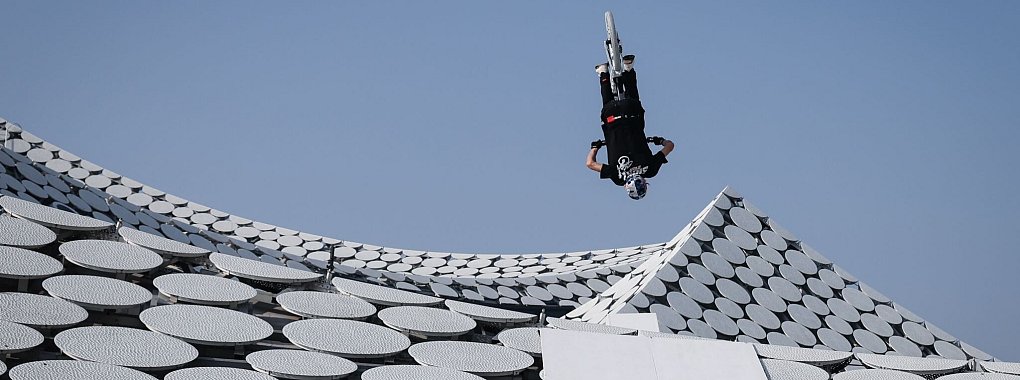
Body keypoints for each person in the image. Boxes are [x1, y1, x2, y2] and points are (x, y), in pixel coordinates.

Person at [586, 55, 675, 200]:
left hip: (632, 114)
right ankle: (603, 73)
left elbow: (670, 146)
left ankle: (628, 69)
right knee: (608, 105)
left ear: (645, 183)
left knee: (634, 101)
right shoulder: (617, 177)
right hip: (612, 119)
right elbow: (590, 164)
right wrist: (595, 147)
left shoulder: (651, 169)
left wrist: (660, 141)